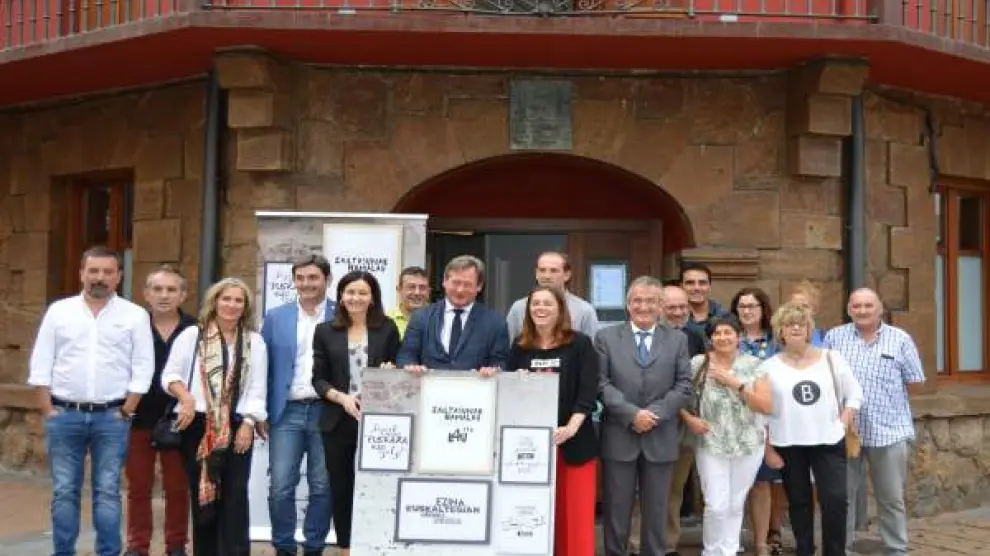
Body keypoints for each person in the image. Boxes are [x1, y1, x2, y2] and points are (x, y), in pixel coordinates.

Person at [28, 245, 155, 556]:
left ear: (118, 276)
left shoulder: (135, 315)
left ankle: (108, 552)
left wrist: (127, 409)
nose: (100, 277)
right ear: (81, 273)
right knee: (64, 491)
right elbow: (41, 361)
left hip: (112, 417)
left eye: (108, 272)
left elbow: (143, 366)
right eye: (94, 271)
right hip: (64, 414)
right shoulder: (59, 311)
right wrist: (47, 409)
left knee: (108, 492)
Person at [162, 277, 269, 556]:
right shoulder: (192, 335)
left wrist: (248, 423)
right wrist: (186, 397)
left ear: (245, 306)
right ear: (215, 301)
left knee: (235, 494)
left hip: (237, 424)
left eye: (238, 300)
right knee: (204, 497)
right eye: (226, 299)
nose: (231, 305)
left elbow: (258, 388)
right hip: (197, 423)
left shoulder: (254, 342)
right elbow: (170, 375)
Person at [596, 276, 693, 556]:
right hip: (619, 435)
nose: (643, 306)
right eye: (637, 300)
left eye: (651, 301)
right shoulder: (606, 338)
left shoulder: (677, 340)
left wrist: (654, 414)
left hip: (660, 436)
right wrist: (632, 414)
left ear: (661, 305)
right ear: (627, 305)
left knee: (657, 511)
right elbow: (600, 383)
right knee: (616, 510)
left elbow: (684, 385)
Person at [825, 288, 925, 556]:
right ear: (849, 309)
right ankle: (840, 548)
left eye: (868, 305)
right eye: (856, 306)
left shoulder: (900, 339)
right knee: (841, 496)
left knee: (891, 497)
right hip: (846, 430)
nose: (862, 311)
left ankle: (896, 549)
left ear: (880, 308)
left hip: (889, 431)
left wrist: (888, 401)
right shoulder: (834, 337)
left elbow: (915, 381)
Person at [505, 286, 600, 556]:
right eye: (535, 304)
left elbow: (588, 391)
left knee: (575, 518)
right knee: (535, 514)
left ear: (560, 309)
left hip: (574, 442)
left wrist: (571, 427)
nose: (541, 308)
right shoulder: (520, 346)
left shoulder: (579, 343)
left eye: (548, 303)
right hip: (532, 447)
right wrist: (518, 382)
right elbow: (509, 391)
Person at [312, 270, 401, 556]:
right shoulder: (325, 331)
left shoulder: (387, 328)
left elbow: (398, 368)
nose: (356, 298)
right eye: (350, 292)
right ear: (340, 296)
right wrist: (343, 399)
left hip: (378, 420)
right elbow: (318, 380)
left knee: (379, 484)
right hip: (338, 419)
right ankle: (347, 547)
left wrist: (390, 371)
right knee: (342, 487)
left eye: (363, 292)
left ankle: (379, 544)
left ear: (372, 297)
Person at [762, 303, 862, 556]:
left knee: (835, 500)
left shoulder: (831, 359)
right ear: (780, 332)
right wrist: (768, 448)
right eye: (789, 324)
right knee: (799, 502)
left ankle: (834, 552)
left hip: (828, 440)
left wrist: (844, 420)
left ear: (809, 330)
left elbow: (854, 394)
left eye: (801, 324)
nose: (796, 328)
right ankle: (804, 550)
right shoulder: (769, 367)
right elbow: (761, 412)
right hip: (788, 442)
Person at [260, 255, 336, 556]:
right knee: (280, 486)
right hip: (286, 411)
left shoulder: (342, 314)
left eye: (313, 277)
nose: (306, 283)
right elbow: (263, 367)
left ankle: (314, 547)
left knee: (322, 486)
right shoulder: (275, 317)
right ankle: (284, 547)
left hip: (327, 411)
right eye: (300, 278)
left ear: (327, 280)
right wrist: (261, 411)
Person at [681, 316, 773, 556]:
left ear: (738, 336)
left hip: (748, 443)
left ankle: (729, 550)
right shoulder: (698, 363)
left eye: (728, 332)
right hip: (710, 442)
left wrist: (735, 383)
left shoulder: (755, 364)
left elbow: (765, 405)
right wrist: (689, 419)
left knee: (735, 503)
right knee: (715, 504)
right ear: (710, 338)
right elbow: (678, 396)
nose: (722, 337)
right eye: (717, 333)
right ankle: (712, 551)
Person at [125, 265, 196, 556]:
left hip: (180, 418)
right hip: (138, 416)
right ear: (146, 294)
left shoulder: (195, 329)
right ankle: (137, 546)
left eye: (171, 289)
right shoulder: (132, 327)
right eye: (157, 289)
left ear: (183, 295)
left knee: (177, 487)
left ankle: (176, 545)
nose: (164, 295)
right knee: (139, 487)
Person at [397, 255, 508, 373]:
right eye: (455, 283)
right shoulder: (421, 317)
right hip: (429, 384)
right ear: (444, 282)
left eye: (467, 284)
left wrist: (493, 369)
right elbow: (406, 355)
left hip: (475, 384)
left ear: (479, 286)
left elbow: (500, 363)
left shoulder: (495, 323)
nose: (460, 290)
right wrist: (411, 366)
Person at [730, 287, 778, 556]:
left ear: (763, 309)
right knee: (731, 486)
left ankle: (761, 542)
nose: (747, 311)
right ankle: (731, 539)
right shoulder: (727, 336)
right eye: (742, 306)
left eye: (752, 306)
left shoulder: (775, 341)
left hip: (766, 420)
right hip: (731, 421)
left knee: (761, 482)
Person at [660, 284, 708, 556]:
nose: (678, 312)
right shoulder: (649, 335)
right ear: (659, 308)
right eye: (671, 307)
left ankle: (668, 544)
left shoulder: (695, 336)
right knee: (646, 488)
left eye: (682, 307)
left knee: (675, 487)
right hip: (653, 420)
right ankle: (637, 543)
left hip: (686, 423)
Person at [505, 251, 600, 341]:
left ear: (567, 275)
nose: (547, 276)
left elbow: (591, 349)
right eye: (542, 270)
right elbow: (510, 346)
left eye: (554, 271)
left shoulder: (584, 311)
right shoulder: (519, 308)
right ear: (536, 274)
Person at [386, 266, 430, 339]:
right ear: (399, 290)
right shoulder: (386, 320)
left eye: (422, 288)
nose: (417, 292)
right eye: (411, 287)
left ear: (428, 291)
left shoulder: (439, 320)